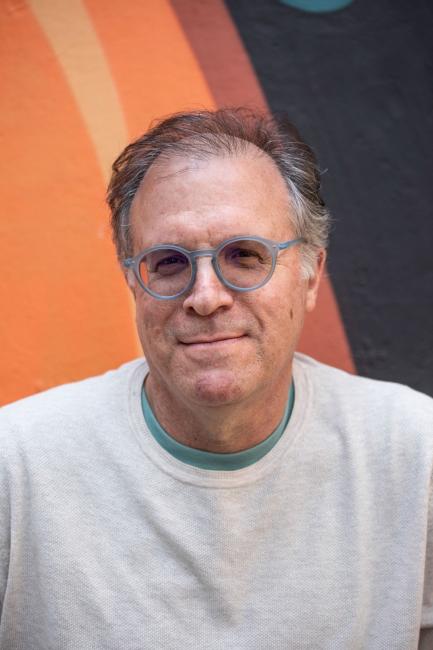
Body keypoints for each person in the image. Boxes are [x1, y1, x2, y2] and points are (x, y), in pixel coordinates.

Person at [0, 108, 432, 650]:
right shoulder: (16, 467)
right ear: (134, 282)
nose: (206, 297)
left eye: (244, 255)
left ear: (311, 275)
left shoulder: (415, 454)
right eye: (169, 262)